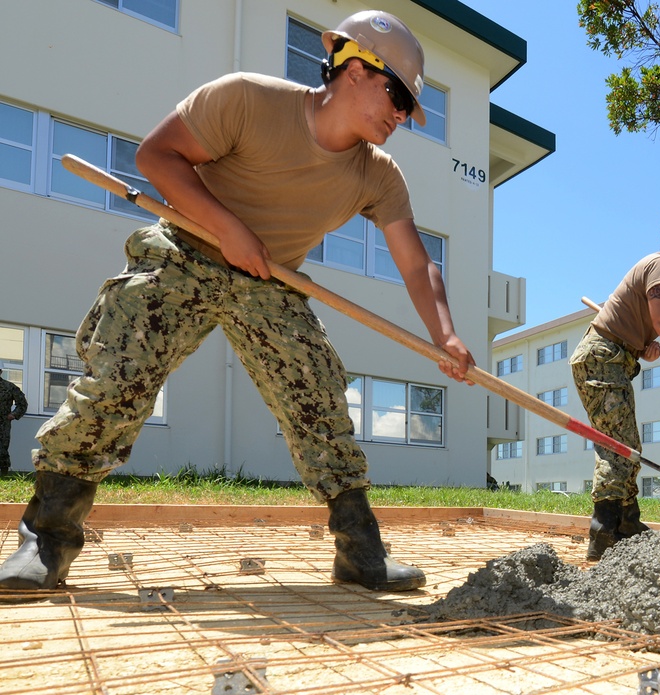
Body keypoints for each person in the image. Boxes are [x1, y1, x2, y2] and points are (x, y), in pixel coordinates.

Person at [0, 10, 473, 593]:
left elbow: (418, 264)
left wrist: (445, 334)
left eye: (409, 107)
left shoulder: (378, 175)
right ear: (354, 68)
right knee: (118, 376)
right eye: (397, 95)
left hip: (271, 281)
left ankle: (360, 552)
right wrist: (226, 226)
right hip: (185, 248)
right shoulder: (247, 99)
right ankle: (44, 539)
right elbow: (156, 157)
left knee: (318, 398)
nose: (402, 115)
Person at [571, 202, 660, 561]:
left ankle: (625, 523)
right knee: (618, 446)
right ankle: (604, 530)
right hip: (602, 358)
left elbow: (647, 325)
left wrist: (644, 347)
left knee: (626, 444)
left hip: (613, 357)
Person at [0, 363, 28, 476]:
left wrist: (13, 415)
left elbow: (22, 404)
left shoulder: (9, 387)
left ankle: (3, 474)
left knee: (2, 449)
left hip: (2, 423)